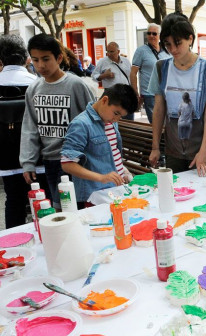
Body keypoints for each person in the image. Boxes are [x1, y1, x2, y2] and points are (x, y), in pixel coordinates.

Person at [20, 33, 94, 210]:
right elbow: (30, 127)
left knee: (81, 209)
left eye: (46, 59)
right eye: (36, 60)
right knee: (60, 209)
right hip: (51, 161)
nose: (41, 65)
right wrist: (28, 162)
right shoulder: (33, 89)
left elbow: (95, 120)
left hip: (77, 160)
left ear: (59, 57)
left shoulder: (76, 85)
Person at [148, 12, 206, 176]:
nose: (172, 49)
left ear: (190, 39)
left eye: (178, 43)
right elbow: (159, 110)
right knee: (178, 195)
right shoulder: (161, 69)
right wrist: (155, 147)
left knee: (203, 196)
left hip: (201, 149)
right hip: (173, 149)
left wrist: (204, 151)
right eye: (168, 44)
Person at [0, 34, 49, 228]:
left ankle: (13, 247)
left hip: (6, 157)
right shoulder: (39, 83)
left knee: (13, 201)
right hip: (39, 154)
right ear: (27, 58)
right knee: (44, 201)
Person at [61, 84, 138, 205]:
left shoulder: (110, 121)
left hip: (114, 191)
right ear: (104, 100)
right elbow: (67, 164)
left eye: (120, 116)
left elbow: (110, 153)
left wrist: (123, 171)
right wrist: (101, 177)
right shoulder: (81, 124)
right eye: (116, 113)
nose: (116, 119)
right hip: (95, 196)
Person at [130, 23, 170, 123]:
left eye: (154, 34)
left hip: (166, 92)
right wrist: (136, 93)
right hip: (150, 94)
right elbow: (133, 73)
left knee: (168, 122)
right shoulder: (141, 51)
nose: (151, 36)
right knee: (156, 122)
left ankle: (165, 139)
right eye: (149, 33)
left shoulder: (166, 50)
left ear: (160, 36)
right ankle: (158, 139)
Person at [92, 42, 133, 119]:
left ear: (118, 51)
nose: (109, 54)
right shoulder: (103, 62)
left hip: (126, 93)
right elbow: (94, 76)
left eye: (112, 51)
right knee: (112, 118)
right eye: (107, 51)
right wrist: (104, 75)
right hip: (111, 94)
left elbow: (131, 76)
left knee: (128, 117)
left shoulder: (126, 61)